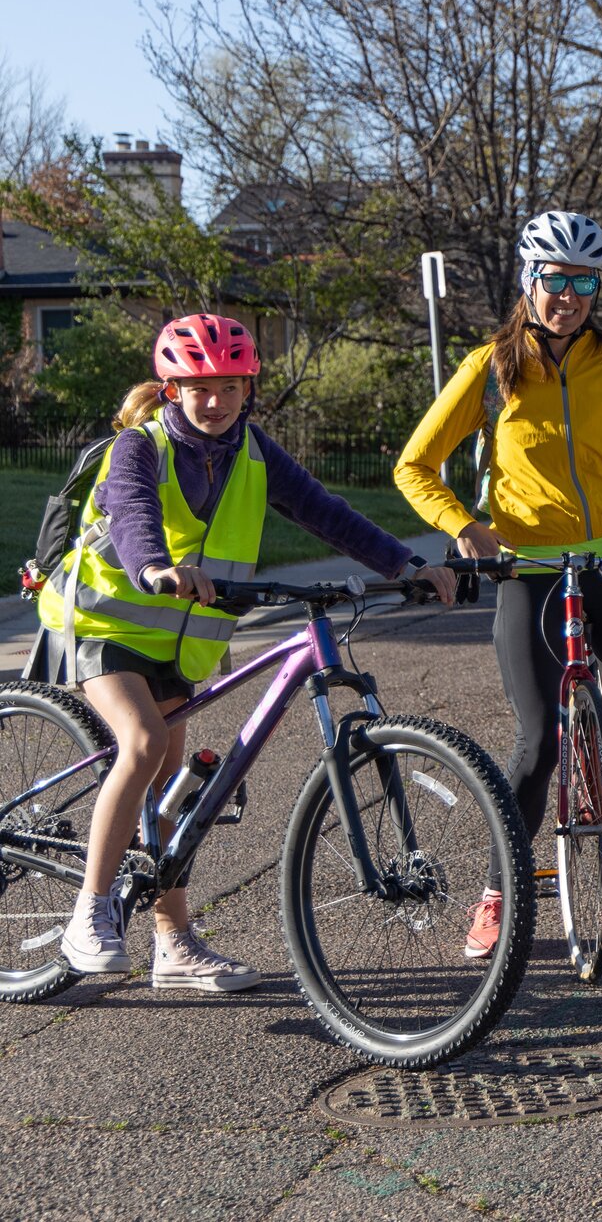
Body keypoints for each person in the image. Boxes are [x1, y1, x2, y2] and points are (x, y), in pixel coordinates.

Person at [49, 315, 458, 991]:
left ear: (249, 390)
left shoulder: (254, 450)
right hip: (104, 624)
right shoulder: (139, 447)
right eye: (199, 388)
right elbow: (132, 515)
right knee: (145, 744)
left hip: (178, 644)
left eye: (230, 387)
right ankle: (88, 915)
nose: (215, 401)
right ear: (172, 389)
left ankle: (173, 945)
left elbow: (324, 511)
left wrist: (405, 563)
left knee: (172, 798)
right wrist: (155, 568)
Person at [395, 210, 602, 955]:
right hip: (530, 569)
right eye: (554, 279)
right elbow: (414, 467)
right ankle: (498, 889)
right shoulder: (489, 368)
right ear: (528, 281)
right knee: (537, 742)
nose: (568, 296)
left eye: (584, 282)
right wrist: (464, 528)